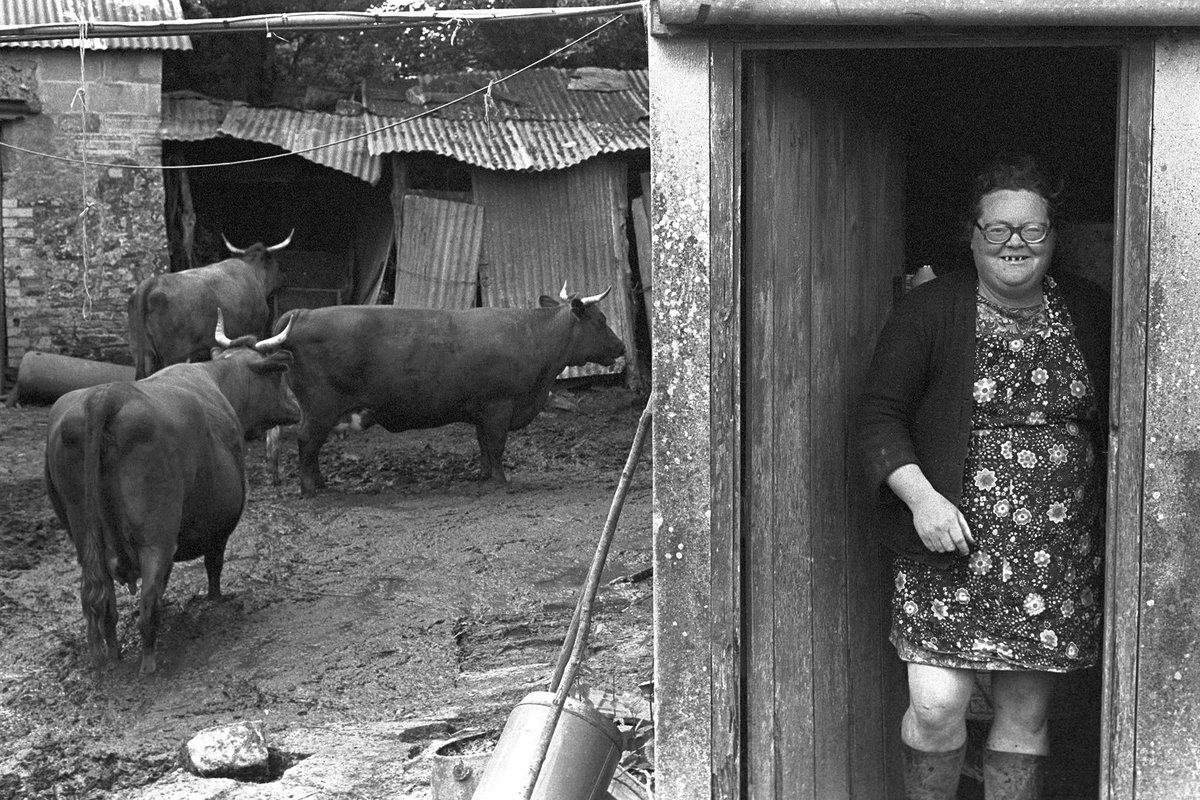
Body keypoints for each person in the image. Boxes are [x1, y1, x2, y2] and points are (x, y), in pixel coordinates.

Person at [856, 155, 1110, 800]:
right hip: (949, 541)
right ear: (972, 236)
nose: (1014, 243)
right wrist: (922, 501)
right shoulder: (929, 310)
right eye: (998, 229)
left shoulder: (1088, 307)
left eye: (1032, 229)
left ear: (1053, 236)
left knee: (1024, 715)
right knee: (936, 707)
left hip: (1053, 551)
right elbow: (879, 415)